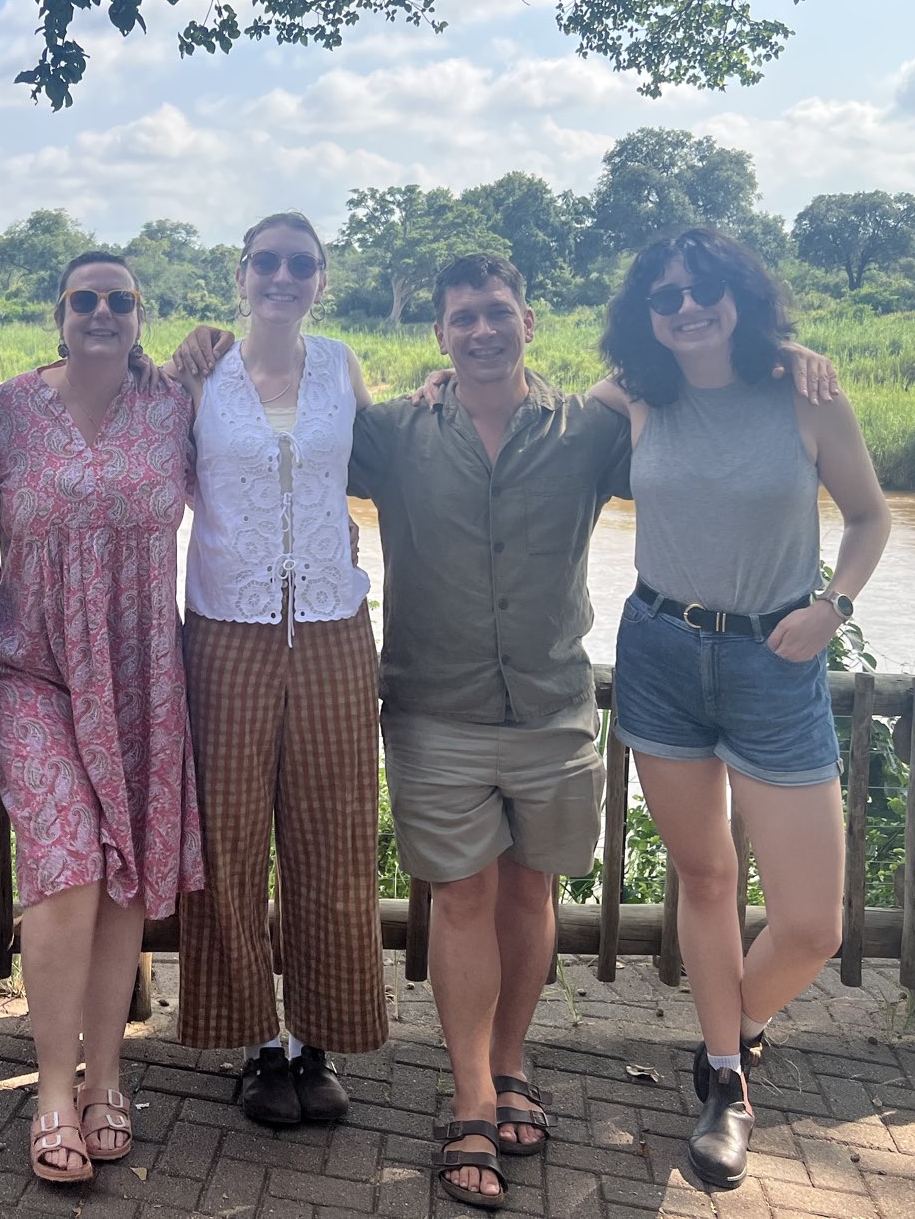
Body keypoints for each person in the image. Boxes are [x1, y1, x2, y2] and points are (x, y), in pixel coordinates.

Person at [592, 228, 889, 1190]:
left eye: (705, 289)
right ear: (646, 315)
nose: (687, 308)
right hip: (661, 649)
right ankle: (727, 1079)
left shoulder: (806, 393)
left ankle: (740, 1024)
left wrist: (834, 606)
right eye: (665, 296)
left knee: (811, 924)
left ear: (741, 295)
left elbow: (870, 516)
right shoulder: (637, 395)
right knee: (708, 876)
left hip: (775, 659)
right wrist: (438, 379)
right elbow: (526, 403)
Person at [350, 254, 629, 1211]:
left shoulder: (587, 431)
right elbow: (280, 430)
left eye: (497, 312)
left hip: (552, 703)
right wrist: (197, 360)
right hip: (436, 707)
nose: (481, 330)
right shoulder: (394, 434)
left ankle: (511, 1065)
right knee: (461, 900)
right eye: (463, 317)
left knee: (530, 892)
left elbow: (680, 395)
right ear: (439, 334)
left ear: (530, 321)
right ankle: (470, 1096)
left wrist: (784, 358)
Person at [0, 251, 203, 1184]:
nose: (102, 311)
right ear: (59, 311)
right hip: (30, 669)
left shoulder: (178, 403)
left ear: (140, 314)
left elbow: (266, 472)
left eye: (120, 299)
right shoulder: (4, 410)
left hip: (142, 676)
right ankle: (51, 1092)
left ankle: (107, 1077)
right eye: (85, 298)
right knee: (67, 864)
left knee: (125, 884)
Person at [174, 211, 386, 1127]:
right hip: (227, 624)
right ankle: (257, 1043)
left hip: (334, 625)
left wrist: (444, 389)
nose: (282, 276)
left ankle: (316, 1040)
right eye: (266, 261)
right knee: (228, 840)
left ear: (321, 280)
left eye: (301, 263)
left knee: (333, 835)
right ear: (242, 273)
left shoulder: (342, 365)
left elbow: (386, 459)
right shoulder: (201, 371)